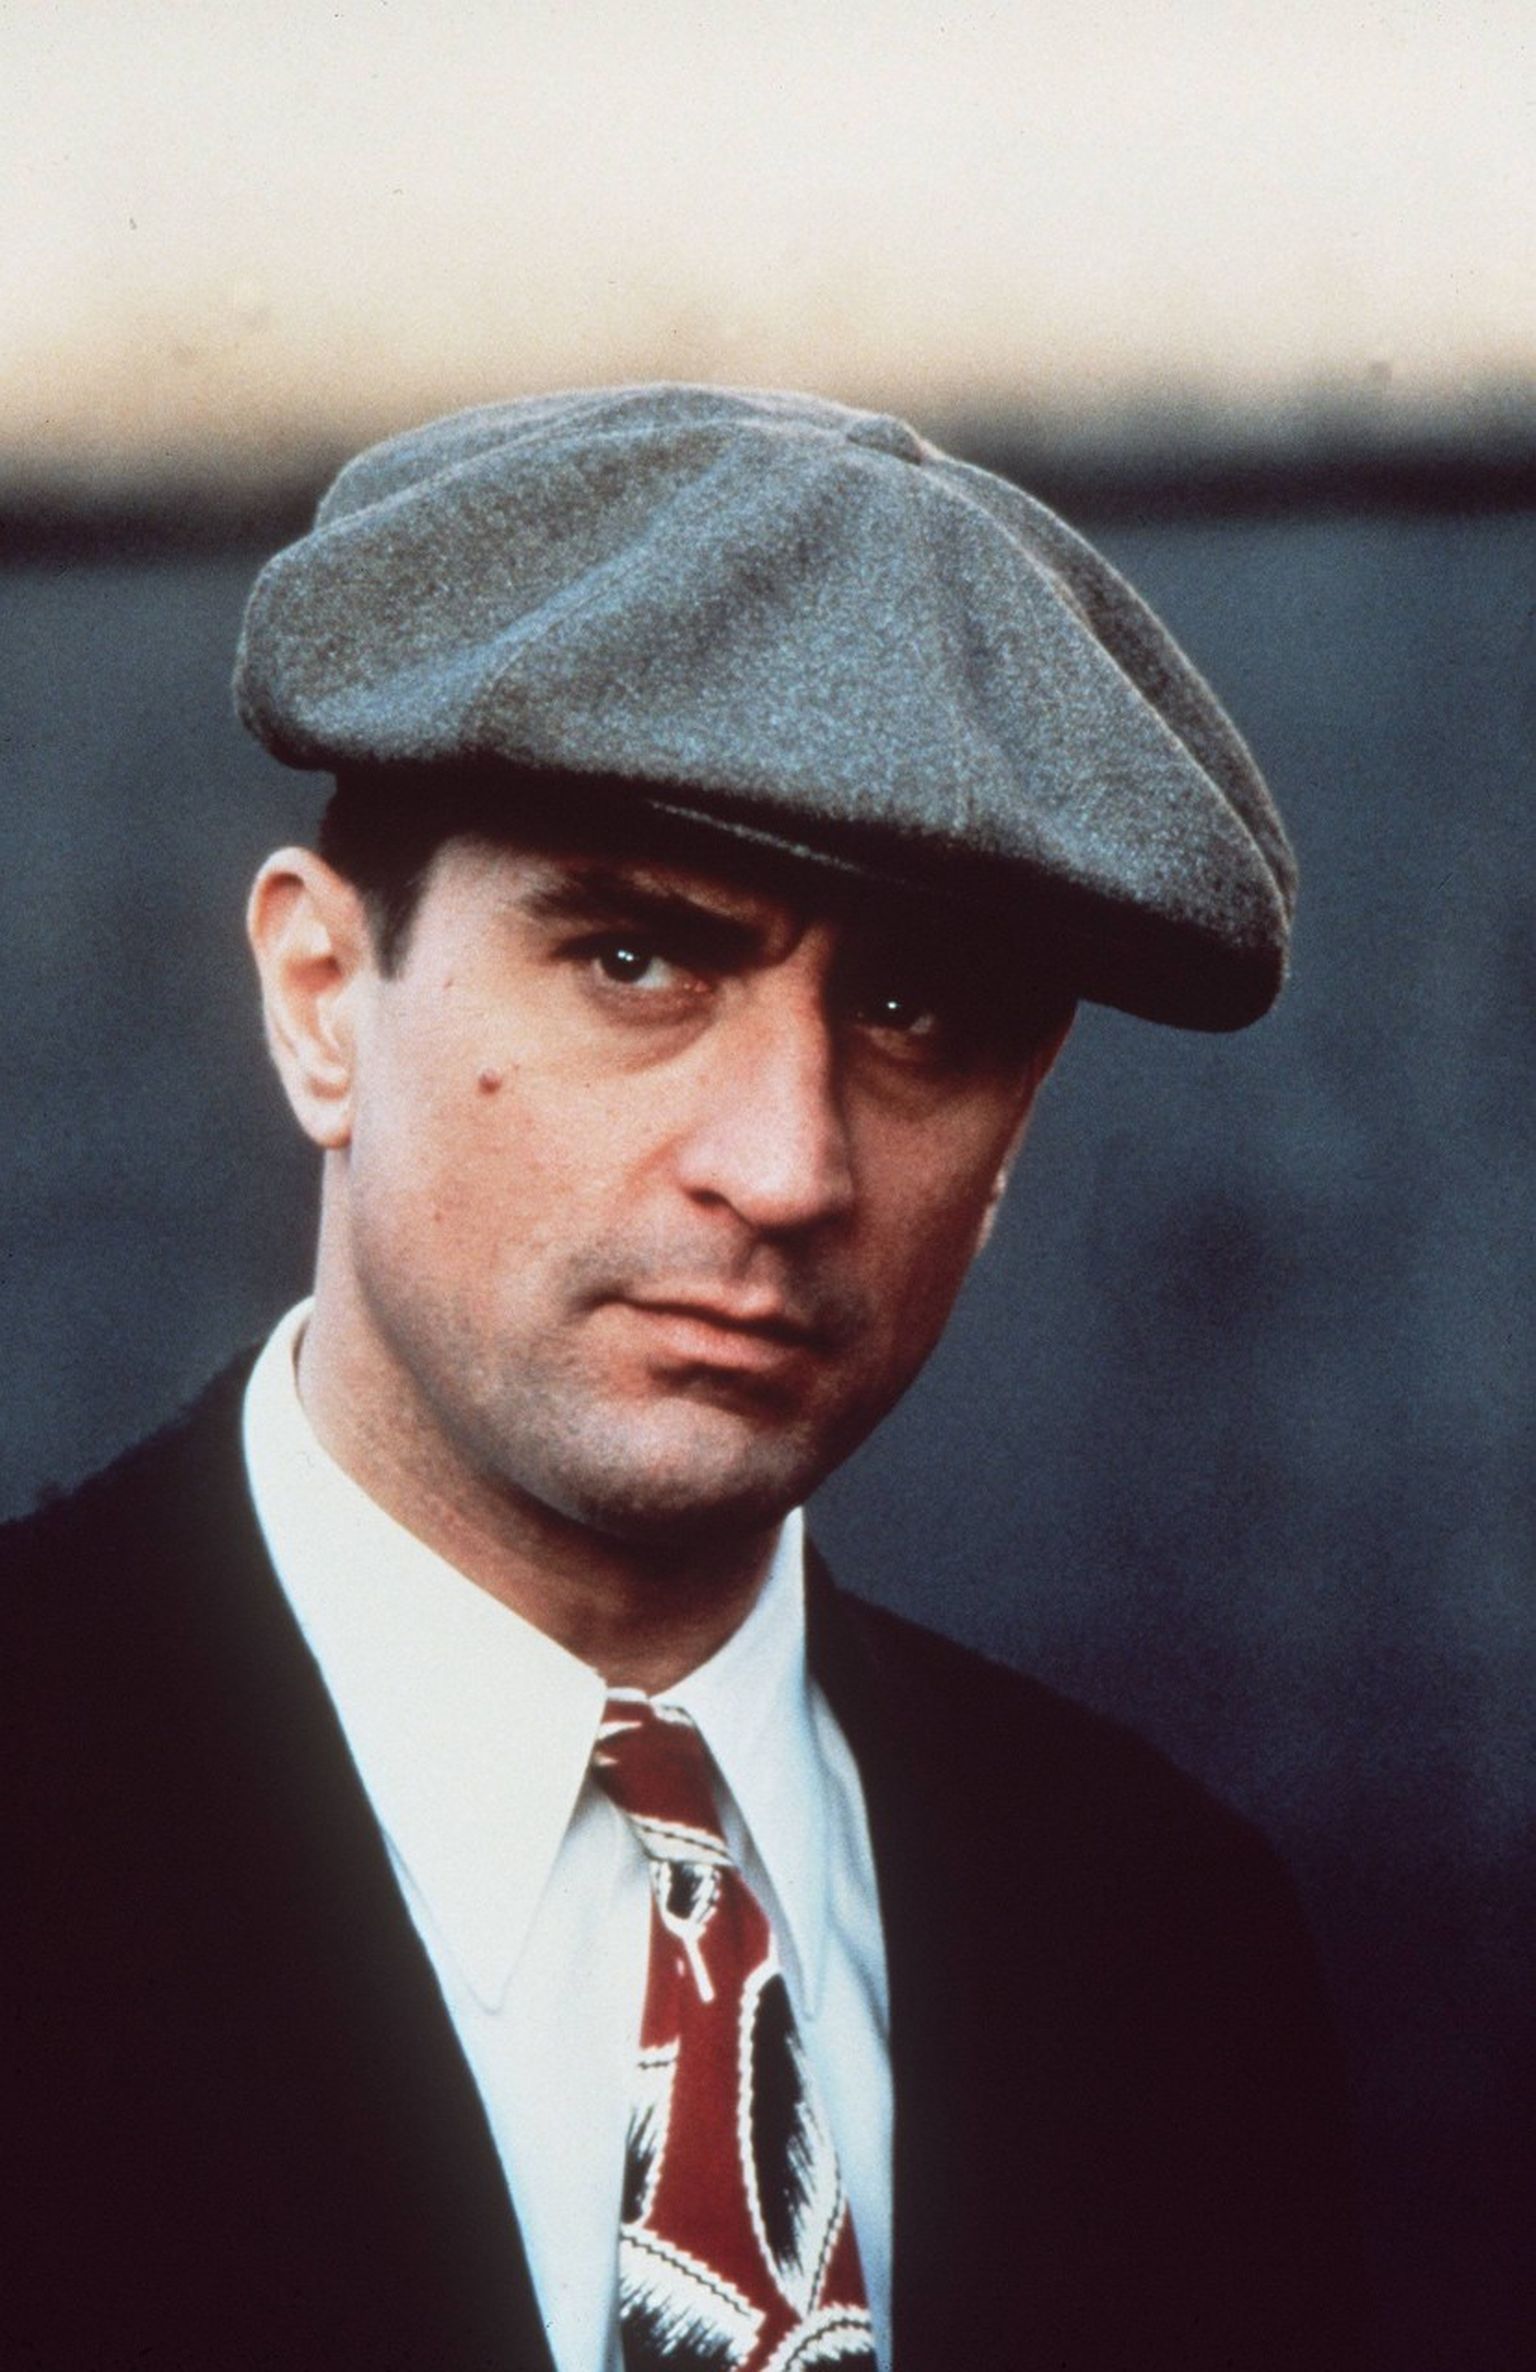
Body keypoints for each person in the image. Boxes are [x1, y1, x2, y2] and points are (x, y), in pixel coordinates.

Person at [2, 386, 1361, 2371]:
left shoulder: (1165, 1936)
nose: (788, 1164)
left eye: (912, 1009)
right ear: (322, 1001)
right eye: (637, 961)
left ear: (1016, 1128)